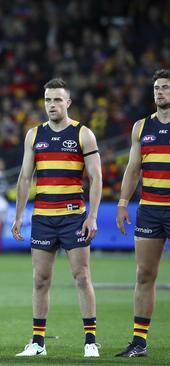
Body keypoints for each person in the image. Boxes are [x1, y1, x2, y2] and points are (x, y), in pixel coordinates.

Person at [12, 78, 102, 357]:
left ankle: (90, 341)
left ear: (68, 103)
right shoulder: (34, 135)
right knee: (40, 279)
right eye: (48, 100)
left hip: (73, 217)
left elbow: (96, 177)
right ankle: (38, 342)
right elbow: (26, 177)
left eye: (57, 100)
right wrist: (18, 216)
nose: (52, 105)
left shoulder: (83, 134)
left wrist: (93, 217)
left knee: (81, 276)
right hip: (42, 218)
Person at [115, 69, 170, 358]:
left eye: (165, 87)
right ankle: (139, 342)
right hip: (149, 209)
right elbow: (133, 167)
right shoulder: (141, 127)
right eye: (157, 88)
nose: (160, 92)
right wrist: (123, 202)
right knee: (145, 274)